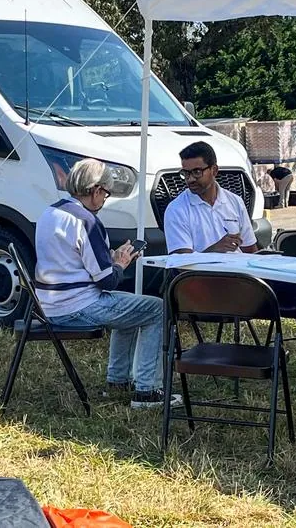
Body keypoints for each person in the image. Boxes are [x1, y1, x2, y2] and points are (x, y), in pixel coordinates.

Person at [164, 141, 296, 383]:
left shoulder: (234, 202)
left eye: (196, 172)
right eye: (185, 173)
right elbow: (180, 263)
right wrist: (213, 250)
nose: (189, 179)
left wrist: (270, 257)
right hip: (214, 289)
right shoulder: (177, 210)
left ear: (214, 171)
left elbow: (251, 250)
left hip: (250, 279)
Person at [34, 158, 181, 408]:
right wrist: (121, 263)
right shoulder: (87, 221)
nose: (105, 199)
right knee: (156, 309)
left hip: (48, 305)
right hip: (78, 306)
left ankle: (118, 380)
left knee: (133, 309)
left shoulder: (50, 212)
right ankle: (147, 390)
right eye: (106, 193)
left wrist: (111, 257)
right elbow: (107, 281)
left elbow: (74, 260)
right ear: (95, 190)